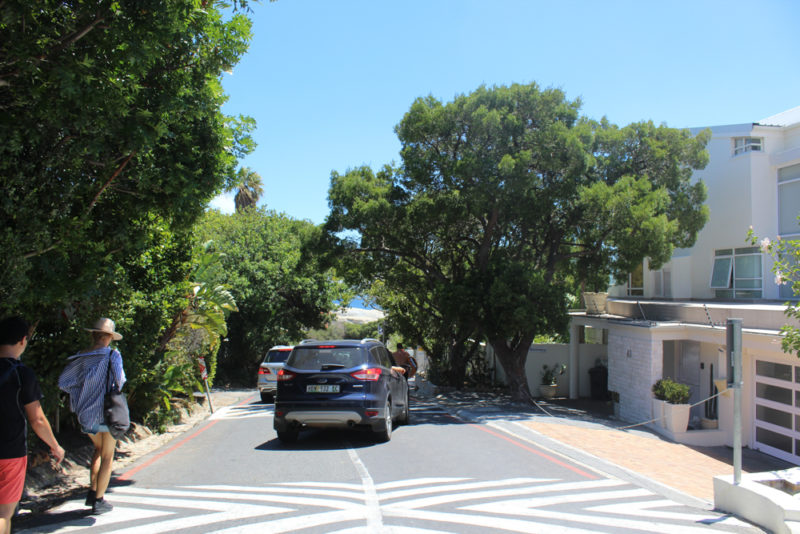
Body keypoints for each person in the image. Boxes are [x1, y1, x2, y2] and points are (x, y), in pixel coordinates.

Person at [0, 316, 65, 534]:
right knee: (3, 514)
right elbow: (37, 419)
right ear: (22, 341)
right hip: (10, 452)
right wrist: (55, 447)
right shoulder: (22, 373)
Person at [58, 318, 126, 515]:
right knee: (107, 455)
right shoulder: (113, 355)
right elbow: (120, 381)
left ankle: (92, 491)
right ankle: (99, 500)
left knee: (97, 449)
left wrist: (83, 391)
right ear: (109, 337)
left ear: (93, 335)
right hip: (107, 412)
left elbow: (64, 382)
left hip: (86, 414)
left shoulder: (80, 357)